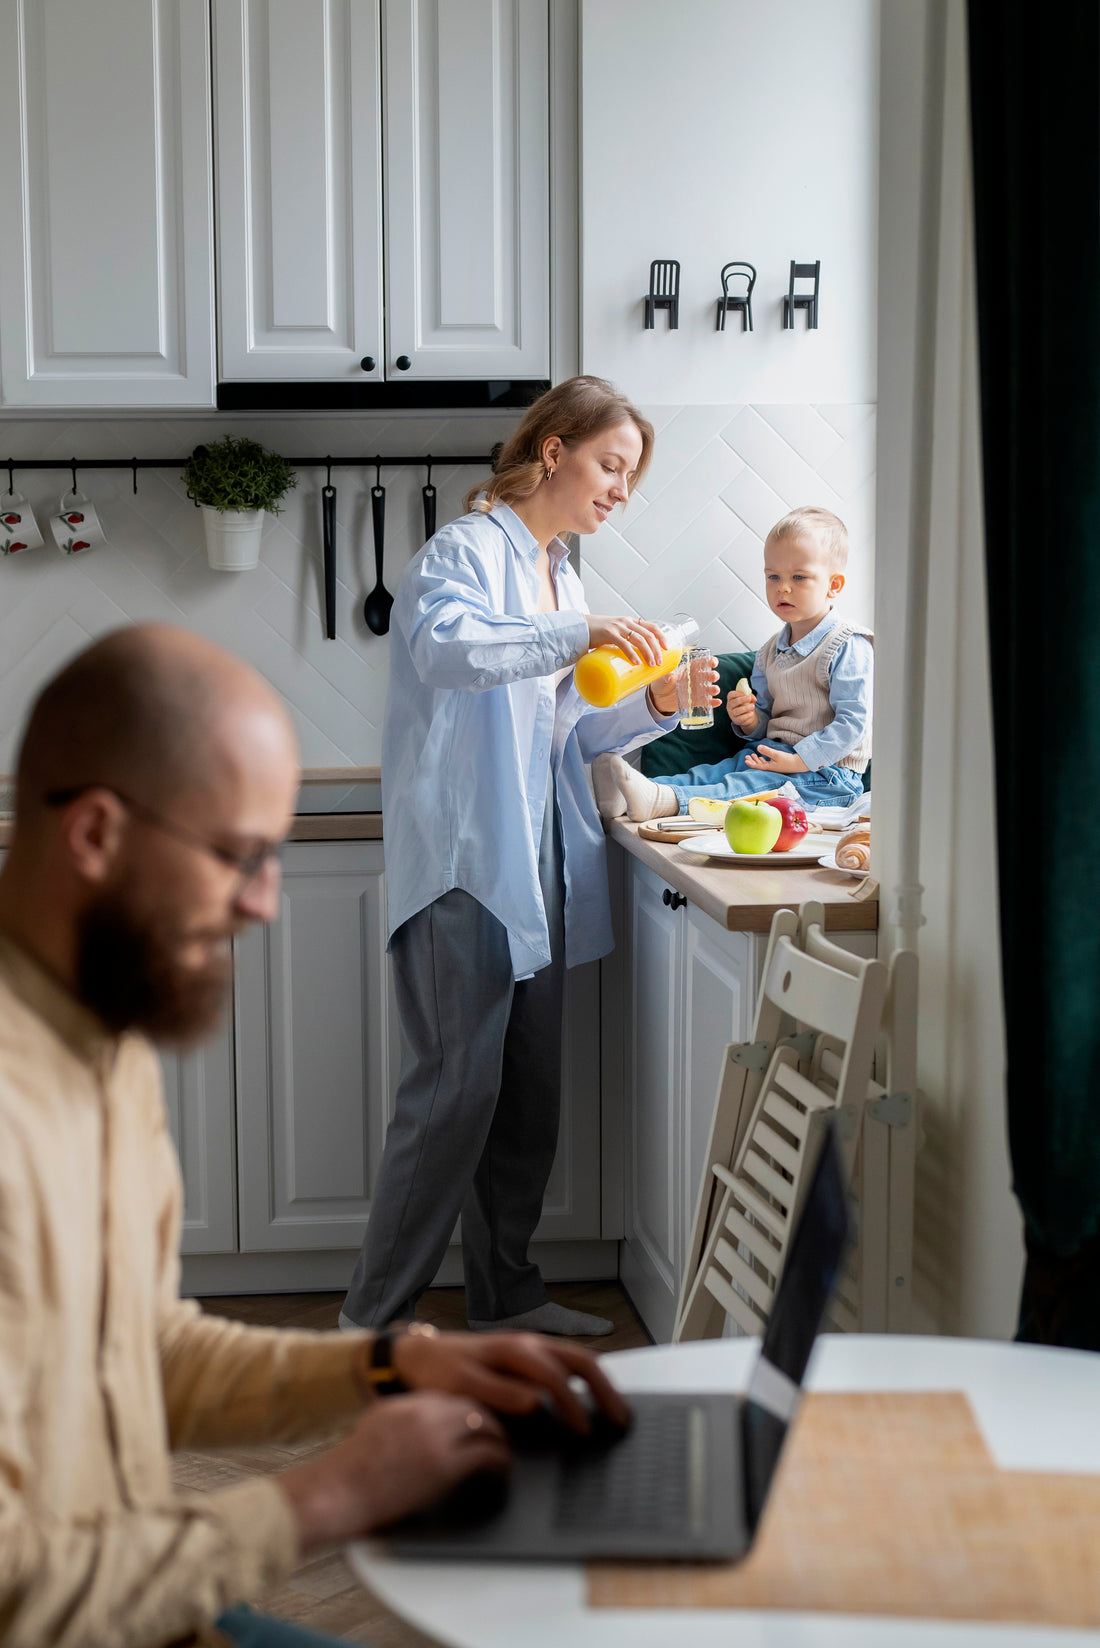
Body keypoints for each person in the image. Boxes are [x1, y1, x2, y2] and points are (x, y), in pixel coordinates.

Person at [0, 624, 630, 1648]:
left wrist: (383, 1366)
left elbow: (136, 1352)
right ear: (98, 836)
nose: (262, 902)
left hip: (155, 1603)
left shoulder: (99, 1041)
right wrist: (321, 1500)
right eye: (238, 857)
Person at [340, 375, 716, 1340]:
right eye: (610, 465)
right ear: (554, 451)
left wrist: (657, 706)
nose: (619, 490)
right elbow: (447, 653)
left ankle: (505, 1295)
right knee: (451, 1096)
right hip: (468, 861)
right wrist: (577, 631)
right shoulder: (461, 551)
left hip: (540, 857)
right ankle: (368, 1325)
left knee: (527, 1092)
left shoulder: (563, 574)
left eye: (628, 475)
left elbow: (569, 731)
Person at [592, 506, 872, 822]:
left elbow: (853, 723)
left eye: (799, 577)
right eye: (773, 576)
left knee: (745, 786)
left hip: (828, 777)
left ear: (833, 585)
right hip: (772, 754)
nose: (783, 587)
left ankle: (664, 800)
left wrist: (800, 762)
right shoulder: (770, 652)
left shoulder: (848, 644)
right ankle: (637, 794)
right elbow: (769, 723)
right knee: (718, 773)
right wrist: (751, 720)